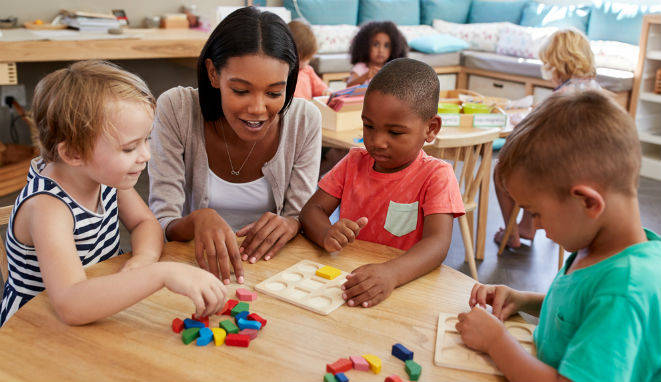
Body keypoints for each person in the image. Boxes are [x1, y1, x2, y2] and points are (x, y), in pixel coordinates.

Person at [0, 61, 227, 327]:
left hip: (97, 308)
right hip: (34, 332)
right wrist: (160, 273)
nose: (146, 155)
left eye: (146, 139)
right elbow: (71, 304)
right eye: (130, 148)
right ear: (73, 153)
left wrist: (143, 259)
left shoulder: (104, 176)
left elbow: (145, 223)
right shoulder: (48, 207)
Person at [456, 91, 661, 382]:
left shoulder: (624, 292)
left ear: (588, 203)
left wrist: (496, 342)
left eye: (535, 213)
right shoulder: (600, 245)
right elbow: (580, 310)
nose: (536, 227)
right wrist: (522, 300)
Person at [148, 7, 322, 285]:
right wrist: (197, 220)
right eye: (241, 91)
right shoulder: (176, 108)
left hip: (272, 274)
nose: (257, 108)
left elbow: (299, 215)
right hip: (191, 271)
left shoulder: (304, 119)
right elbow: (160, 221)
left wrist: (293, 223)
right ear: (213, 74)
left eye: (275, 93)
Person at [300, 58, 465, 308]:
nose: (377, 141)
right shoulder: (353, 162)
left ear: (431, 128)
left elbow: (437, 244)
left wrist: (391, 273)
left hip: (404, 287)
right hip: (349, 281)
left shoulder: (436, 175)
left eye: (395, 132)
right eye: (369, 126)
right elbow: (312, 210)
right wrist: (326, 233)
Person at [494, 27, 602, 249]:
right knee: (531, 161)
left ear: (557, 64)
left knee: (503, 169)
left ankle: (512, 233)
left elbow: (531, 132)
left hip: (559, 176)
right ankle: (527, 226)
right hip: (589, 173)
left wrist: (519, 121)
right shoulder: (595, 91)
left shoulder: (562, 98)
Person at [346, 21, 408, 87]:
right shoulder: (360, 67)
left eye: (386, 46)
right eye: (376, 44)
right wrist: (365, 76)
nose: (381, 50)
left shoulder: (392, 69)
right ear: (365, 46)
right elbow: (349, 85)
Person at [288, 20, 328, 100]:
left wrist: (327, 92)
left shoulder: (307, 70)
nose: (306, 62)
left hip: (307, 109)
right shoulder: (283, 73)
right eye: (302, 59)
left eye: (308, 58)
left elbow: (321, 89)